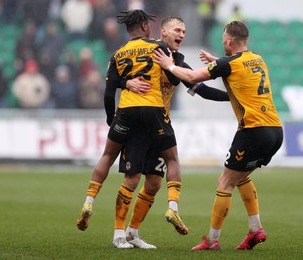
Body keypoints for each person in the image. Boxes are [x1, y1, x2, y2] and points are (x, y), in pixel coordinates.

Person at [153, 20, 283, 250]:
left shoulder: (227, 64)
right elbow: (237, 70)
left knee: (224, 183)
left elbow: (193, 79)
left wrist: (169, 66)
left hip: (253, 130)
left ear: (229, 40)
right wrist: (217, 62)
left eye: (224, 37)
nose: (222, 40)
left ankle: (212, 241)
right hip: (275, 131)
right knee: (240, 177)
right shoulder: (258, 59)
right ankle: (255, 229)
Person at [111, 16, 231, 250]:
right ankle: (117, 234)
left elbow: (202, 90)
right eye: (177, 30)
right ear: (163, 32)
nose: (182, 34)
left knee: (154, 182)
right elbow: (116, 75)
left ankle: (132, 232)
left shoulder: (176, 62)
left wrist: (233, 97)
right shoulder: (147, 51)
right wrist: (127, 83)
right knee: (132, 178)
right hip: (137, 124)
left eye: (184, 31)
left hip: (159, 123)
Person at [76, 9, 186, 249]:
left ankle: (93, 204)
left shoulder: (118, 53)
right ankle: (173, 207)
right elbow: (178, 78)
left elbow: (108, 92)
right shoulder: (160, 47)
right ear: (146, 26)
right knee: (172, 160)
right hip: (154, 112)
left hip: (125, 112)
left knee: (119, 162)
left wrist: (110, 118)